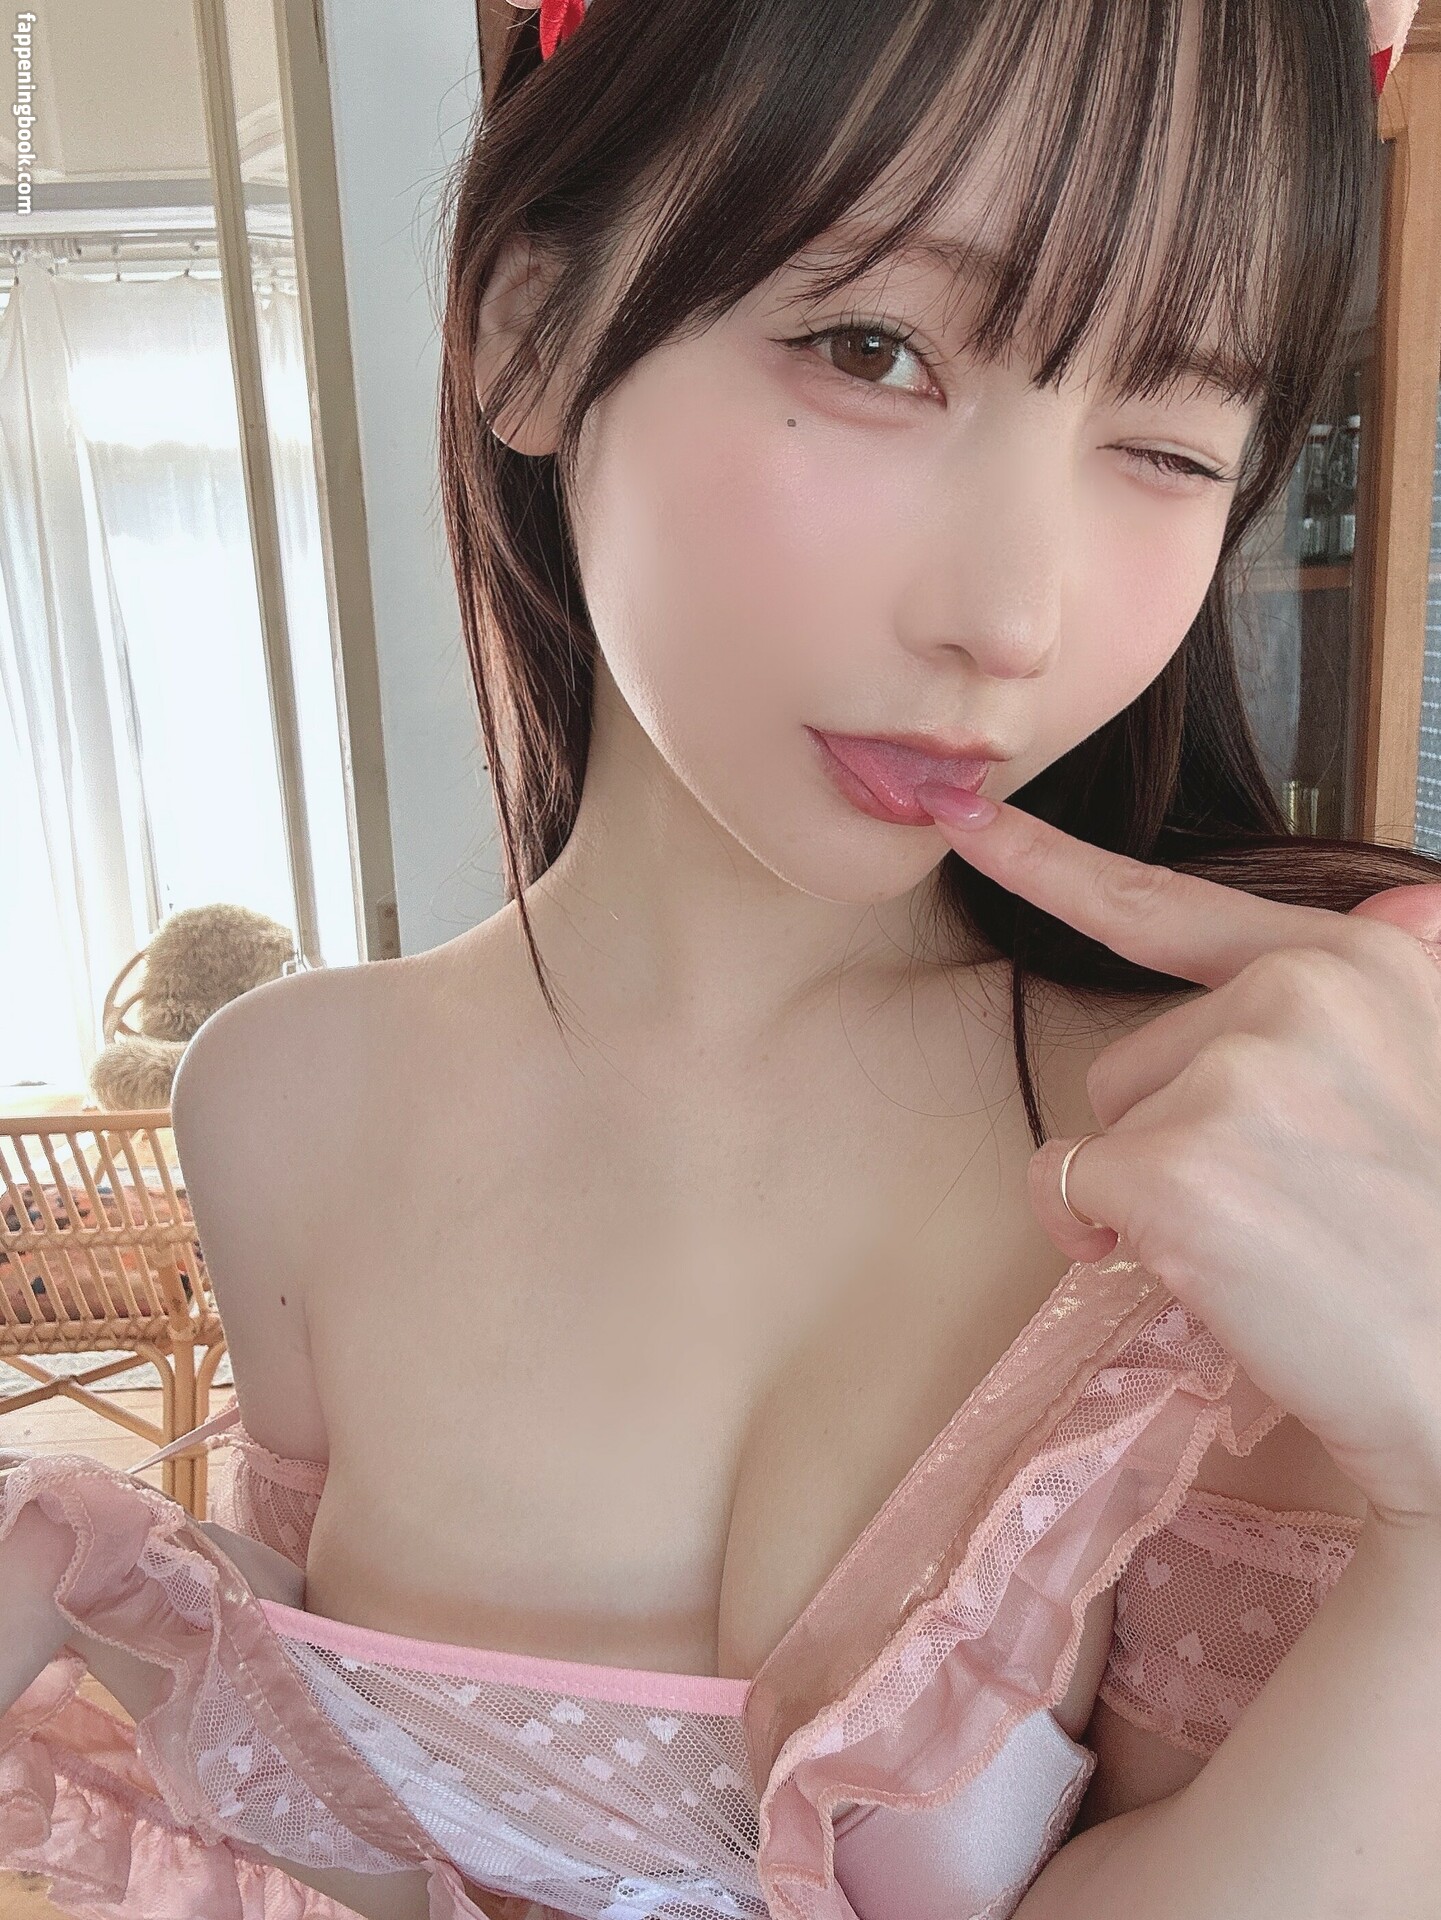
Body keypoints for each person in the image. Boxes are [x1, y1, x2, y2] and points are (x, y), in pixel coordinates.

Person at [3, 1, 1439, 1917]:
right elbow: (357, 1796)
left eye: (1168, 445)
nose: (1010, 618)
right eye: (873, 350)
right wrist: (94, 1587)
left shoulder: (1244, 1147)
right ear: (529, 329)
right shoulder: (281, 1100)